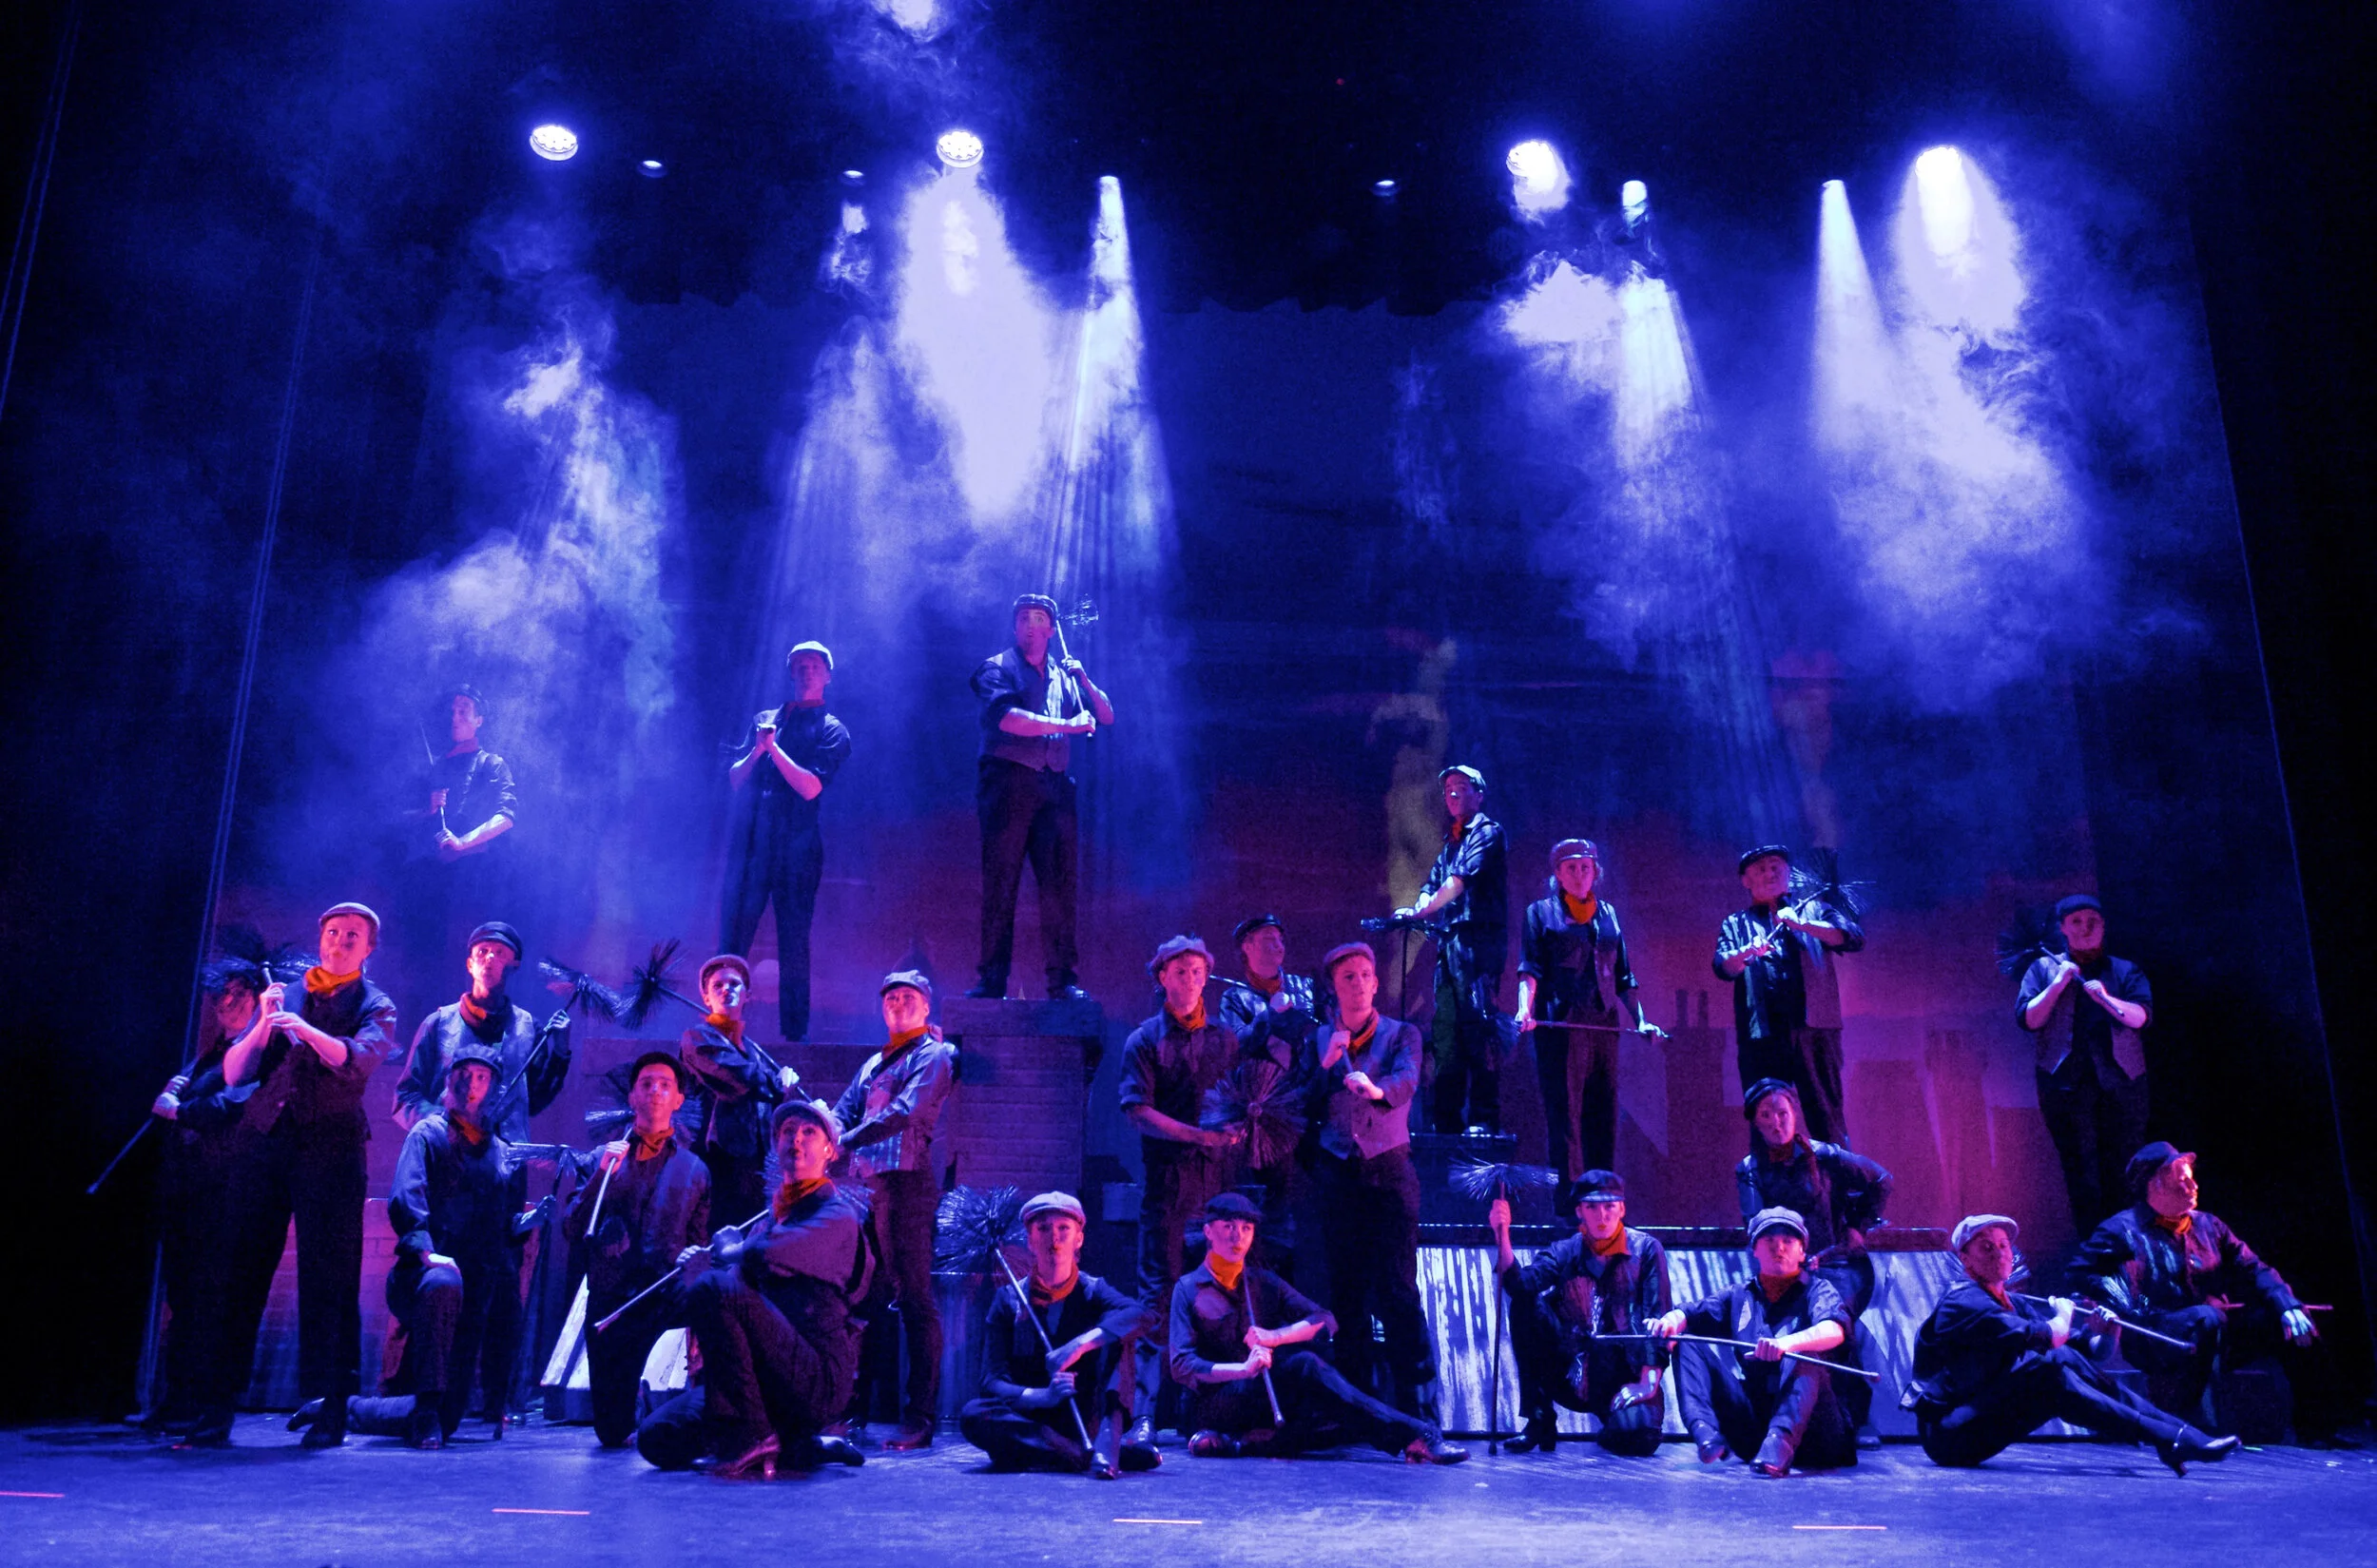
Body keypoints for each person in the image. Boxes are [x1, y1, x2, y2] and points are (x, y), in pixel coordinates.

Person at [182, 903, 398, 1450]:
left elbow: (355, 1059)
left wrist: (303, 1028)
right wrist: (262, 1022)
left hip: (331, 1147)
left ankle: (330, 1411)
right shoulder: (286, 992)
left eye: (352, 936)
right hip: (266, 1141)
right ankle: (215, 1409)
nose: (339, 942)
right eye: (333, 933)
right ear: (320, 938)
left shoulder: (376, 1004)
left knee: (330, 1279)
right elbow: (236, 1073)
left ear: (368, 948)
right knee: (238, 1272)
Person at [296, 1041, 522, 1448]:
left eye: (482, 1077)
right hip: (423, 1274)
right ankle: (426, 1409)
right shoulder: (428, 1134)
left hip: (474, 1283)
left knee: (447, 1417)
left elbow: (500, 1221)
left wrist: (525, 1224)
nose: (472, 1085)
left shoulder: (501, 1152)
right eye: (464, 1075)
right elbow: (407, 1195)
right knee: (445, 1282)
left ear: (494, 1087)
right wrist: (425, 1250)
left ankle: (347, 1408)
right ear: (450, 1080)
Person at [1907, 1213, 2237, 1473]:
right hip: (1949, 1433)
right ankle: (2166, 1438)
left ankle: (2182, 1435)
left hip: (1979, 1416)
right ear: (1965, 1259)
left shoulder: (2012, 1303)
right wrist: (2063, 1315)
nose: (1999, 1254)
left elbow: (2086, 1354)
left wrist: (2106, 1332)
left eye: (2003, 1245)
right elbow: (2050, 1335)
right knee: (2049, 1372)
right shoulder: (1963, 1302)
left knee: (2059, 1359)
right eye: (1986, 1248)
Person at [1168, 1192, 1466, 1462]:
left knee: (1333, 1418)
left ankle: (1240, 1445)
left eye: (1247, 1229)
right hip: (1214, 1403)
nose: (1238, 1237)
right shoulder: (1188, 1288)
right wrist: (1243, 1369)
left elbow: (1325, 1320)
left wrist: (1275, 1337)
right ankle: (1417, 1435)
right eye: (1228, 1227)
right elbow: (1182, 1365)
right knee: (1306, 1366)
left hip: (1260, 1396)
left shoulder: (1262, 1282)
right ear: (1209, 1231)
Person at [2073, 1143, 2331, 1439]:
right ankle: (2196, 1427)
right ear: (2155, 1185)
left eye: (2191, 1178)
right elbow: (2081, 1273)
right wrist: (2123, 1302)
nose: (2193, 1186)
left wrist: (2286, 1303)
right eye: (2182, 1180)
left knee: (2296, 1319)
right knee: (2206, 1318)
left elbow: (2253, 1268)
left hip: (2215, 1330)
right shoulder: (2120, 1229)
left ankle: (2317, 1429)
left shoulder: (2210, 1226)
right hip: (2156, 1337)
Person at [671, 1098, 872, 1478]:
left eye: (809, 1132)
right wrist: (699, 1269)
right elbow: (734, 1293)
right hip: (770, 1374)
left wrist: (727, 1254)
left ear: (829, 1151)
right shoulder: (770, 1221)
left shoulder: (837, 1215)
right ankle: (799, 1445)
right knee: (660, 1437)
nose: (796, 1139)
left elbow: (767, 1254)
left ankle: (754, 1438)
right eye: (787, 1132)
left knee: (713, 1287)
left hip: (816, 1376)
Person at [1118, 936, 1244, 1449]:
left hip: (1218, 1188)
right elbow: (1137, 1111)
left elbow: (1243, 1098)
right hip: (1168, 1190)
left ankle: (1207, 1415)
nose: (1190, 979)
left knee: (1216, 1303)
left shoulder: (1226, 1040)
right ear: (1162, 978)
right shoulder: (1145, 1040)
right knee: (1157, 1300)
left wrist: (1240, 1128)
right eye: (1179, 971)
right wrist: (1196, 1136)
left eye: (1197, 971)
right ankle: (1144, 1417)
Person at [1307, 940, 1440, 1420]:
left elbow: (1407, 1080)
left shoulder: (1402, 1034)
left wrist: (1376, 1089)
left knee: (1398, 1289)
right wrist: (1326, 1066)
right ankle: (1358, 1410)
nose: (1359, 984)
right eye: (1349, 977)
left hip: (1389, 1172)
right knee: (1347, 1292)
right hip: (1338, 1174)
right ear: (1334, 987)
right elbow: (1304, 1101)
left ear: (1376, 983)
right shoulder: (1320, 1039)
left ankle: (1417, 1409)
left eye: (1366, 975)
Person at [832, 970, 960, 1451]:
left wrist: (843, 1140)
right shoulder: (872, 1063)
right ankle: (852, 1412)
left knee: (914, 1299)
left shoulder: (934, 1055)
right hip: (867, 1188)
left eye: (908, 997)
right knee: (862, 1299)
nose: (898, 1004)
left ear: (926, 1007)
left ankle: (920, 1418)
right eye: (890, 998)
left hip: (907, 1186)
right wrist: (824, 1129)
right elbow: (844, 1110)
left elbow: (905, 1111)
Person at [969, 592, 1114, 1000]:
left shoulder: (1064, 674)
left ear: (1051, 629)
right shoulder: (996, 668)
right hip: (1008, 783)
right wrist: (1068, 726)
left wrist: (1084, 680)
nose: (1030, 626)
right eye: (1023, 619)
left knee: (1059, 888)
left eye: (1038, 619)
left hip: (1054, 787)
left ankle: (1062, 980)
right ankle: (992, 980)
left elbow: (1106, 715)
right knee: (1001, 883)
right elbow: (1008, 720)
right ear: (1015, 627)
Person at [565, 1050, 711, 1449]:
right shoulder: (602, 1158)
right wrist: (600, 1177)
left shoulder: (694, 1169)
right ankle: (635, 1402)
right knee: (612, 1433)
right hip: (613, 1299)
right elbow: (572, 1228)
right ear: (632, 1097)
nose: (655, 1092)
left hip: (665, 1294)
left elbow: (698, 1245)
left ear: (678, 1100)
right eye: (646, 1084)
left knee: (718, 1298)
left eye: (665, 1085)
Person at [1736, 1077, 1891, 1446]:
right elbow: (1756, 1224)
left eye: (1782, 1113)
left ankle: (1856, 1416)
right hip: (1790, 1269)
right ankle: (1799, 1418)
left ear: (1794, 1114)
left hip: (1839, 1265)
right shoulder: (1750, 1169)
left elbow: (1882, 1179)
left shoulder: (1825, 1156)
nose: (1777, 1123)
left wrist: (1857, 1227)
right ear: (1755, 1122)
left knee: (1831, 1318)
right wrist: (1791, 1264)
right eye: (1766, 1115)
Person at [959, 1191, 1160, 1476]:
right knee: (973, 1415)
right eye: (1043, 1229)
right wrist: (1044, 1396)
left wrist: (1079, 1345)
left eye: (1063, 1228)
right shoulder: (1009, 1299)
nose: (1054, 1238)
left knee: (1119, 1329)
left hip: (1083, 1415)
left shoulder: (1094, 1291)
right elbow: (991, 1382)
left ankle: (1107, 1441)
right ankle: (1076, 1454)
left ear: (1079, 1239)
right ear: (1030, 1241)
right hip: (1031, 1423)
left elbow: (1144, 1316)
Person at [145, 958, 263, 1431]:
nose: (227, 1003)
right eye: (222, 995)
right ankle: (179, 1398)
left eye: (238, 993)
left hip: (227, 1191)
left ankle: (210, 1404)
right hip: (189, 1190)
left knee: (218, 1299)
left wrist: (179, 1110)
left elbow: (237, 1103)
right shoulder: (210, 1053)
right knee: (185, 1297)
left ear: (256, 997)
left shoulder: (258, 1048)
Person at [1653, 1206, 1857, 1477]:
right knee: (1685, 1341)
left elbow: (1834, 1329)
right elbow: (1691, 1313)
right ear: (1754, 1250)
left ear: (1802, 1251)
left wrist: (1787, 1344)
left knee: (1804, 1354)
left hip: (1817, 1434)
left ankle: (1781, 1440)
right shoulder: (1739, 1296)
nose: (1779, 1248)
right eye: (1769, 1240)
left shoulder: (1818, 1290)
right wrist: (1671, 1319)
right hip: (1755, 1434)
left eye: (1788, 1241)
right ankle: (1705, 1431)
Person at [1488, 1170, 1672, 1457]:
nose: (1602, 1216)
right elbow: (1521, 1284)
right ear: (1579, 1212)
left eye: (1609, 1206)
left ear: (1622, 1209)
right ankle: (1539, 1418)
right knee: (1524, 1302)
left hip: (1622, 1375)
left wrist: (1646, 1384)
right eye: (1592, 1207)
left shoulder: (1646, 1250)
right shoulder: (1565, 1250)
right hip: (1571, 1369)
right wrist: (1502, 1235)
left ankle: (1614, 1427)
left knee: (1640, 1436)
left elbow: (1658, 1317)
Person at [722, 641, 853, 1043]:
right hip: (754, 845)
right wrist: (757, 750)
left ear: (828, 675)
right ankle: (721, 1023)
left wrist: (773, 749)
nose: (806, 671)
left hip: (798, 848)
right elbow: (735, 778)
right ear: (790, 673)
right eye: (799, 665)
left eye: (814, 665)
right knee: (734, 937)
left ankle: (794, 1038)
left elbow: (811, 788)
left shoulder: (833, 730)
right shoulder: (765, 720)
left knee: (793, 941)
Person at [1515, 840, 1664, 1181]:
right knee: (1566, 1115)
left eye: (1586, 867)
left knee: (1603, 1110)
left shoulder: (1608, 913)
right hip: (1562, 1024)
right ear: (1558, 873)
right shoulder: (1540, 913)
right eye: (1571, 868)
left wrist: (1641, 1020)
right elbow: (1530, 969)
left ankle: (1601, 1194)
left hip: (1603, 1024)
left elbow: (1624, 976)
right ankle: (1570, 1200)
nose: (1579, 874)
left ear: (1596, 872)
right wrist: (1524, 1009)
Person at [2016, 896, 2153, 1231]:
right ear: (2062, 928)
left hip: (2122, 1083)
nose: (2085, 928)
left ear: (2103, 926)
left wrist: (2105, 998)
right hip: (2065, 1086)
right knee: (2081, 1175)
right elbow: (2029, 1020)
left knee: (2123, 1171)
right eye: (2076, 921)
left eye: (2093, 920)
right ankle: (2093, 1252)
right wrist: (2058, 983)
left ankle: (2126, 1248)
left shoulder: (2124, 970)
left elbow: (2140, 1017)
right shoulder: (2043, 969)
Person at [1712, 845, 1865, 1144]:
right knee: (1767, 1120)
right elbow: (1723, 967)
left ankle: (1834, 1173)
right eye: (1760, 869)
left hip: (1816, 1030)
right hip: (1763, 1036)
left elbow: (1852, 937)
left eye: (1775, 867)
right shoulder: (1736, 923)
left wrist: (1802, 924)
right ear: (1746, 881)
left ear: (1789, 873)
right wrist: (1746, 952)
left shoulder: (1814, 909)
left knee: (1827, 1118)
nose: (1770, 873)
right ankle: (1772, 1173)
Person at [1395, 765, 1509, 1133]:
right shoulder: (1451, 843)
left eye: (1461, 787)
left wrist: (1423, 910)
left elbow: (1457, 883)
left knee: (1479, 1026)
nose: (1454, 794)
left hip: (1478, 945)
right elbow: (1432, 884)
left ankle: (1483, 1118)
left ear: (1479, 794)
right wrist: (1416, 908)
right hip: (1451, 945)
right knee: (1447, 1031)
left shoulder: (1487, 833)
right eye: (1448, 790)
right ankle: (1446, 1120)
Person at [394, 686, 519, 1016]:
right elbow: (398, 818)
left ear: (479, 720)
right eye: (452, 711)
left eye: (463, 710)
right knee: (418, 955)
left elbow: (506, 816)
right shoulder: (435, 767)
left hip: (471, 878)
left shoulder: (492, 764)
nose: (455, 716)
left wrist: (464, 843)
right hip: (427, 877)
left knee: (464, 953)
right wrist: (427, 810)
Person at [392, 920, 571, 1145]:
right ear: (470, 964)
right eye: (482, 951)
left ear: (514, 965)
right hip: (448, 1154)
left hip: (507, 1158)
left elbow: (534, 1102)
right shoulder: (438, 1024)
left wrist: (560, 1053)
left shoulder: (528, 1028)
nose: (490, 958)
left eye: (500, 953)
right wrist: (443, 1125)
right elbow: (405, 1097)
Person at [1211, 915, 1317, 1273]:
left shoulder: (1303, 990)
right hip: (1261, 1115)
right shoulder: (1236, 997)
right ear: (1247, 947)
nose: (1278, 946)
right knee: (1266, 1199)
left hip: (1303, 1106)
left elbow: (1317, 1039)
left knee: (1301, 1201)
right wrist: (1268, 1017)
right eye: (1269, 939)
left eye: (1281, 940)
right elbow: (1234, 1046)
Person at [680, 954, 793, 1221]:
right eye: (717, 985)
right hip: (716, 1158)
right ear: (706, 998)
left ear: (747, 996)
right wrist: (778, 1082)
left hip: (756, 1161)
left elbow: (769, 1099)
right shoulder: (698, 1037)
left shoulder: (753, 1050)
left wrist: (783, 1087)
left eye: (734, 984)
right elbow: (738, 1079)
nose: (726, 989)